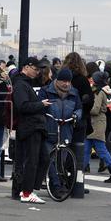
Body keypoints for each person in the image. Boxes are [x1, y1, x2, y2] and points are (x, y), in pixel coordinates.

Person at [12, 57, 51, 204]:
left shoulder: (25, 83)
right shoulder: (21, 84)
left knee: (43, 159)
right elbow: (22, 106)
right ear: (26, 67)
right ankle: (27, 192)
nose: (37, 72)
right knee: (33, 161)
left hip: (35, 126)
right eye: (35, 69)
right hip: (29, 127)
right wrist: (40, 104)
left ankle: (28, 190)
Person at [39, 68, 82, 199]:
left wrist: (76, 116)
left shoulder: (74, 93)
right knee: (49, 159)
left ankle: (60, 183)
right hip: (49, 129)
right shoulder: (46, 91)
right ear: (56, 80)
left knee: (62, 160)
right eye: (63, 81)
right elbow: (39, 106)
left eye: (68, 81)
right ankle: (56, 185)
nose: (66, 84)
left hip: (66, 130)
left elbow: (79, 108)